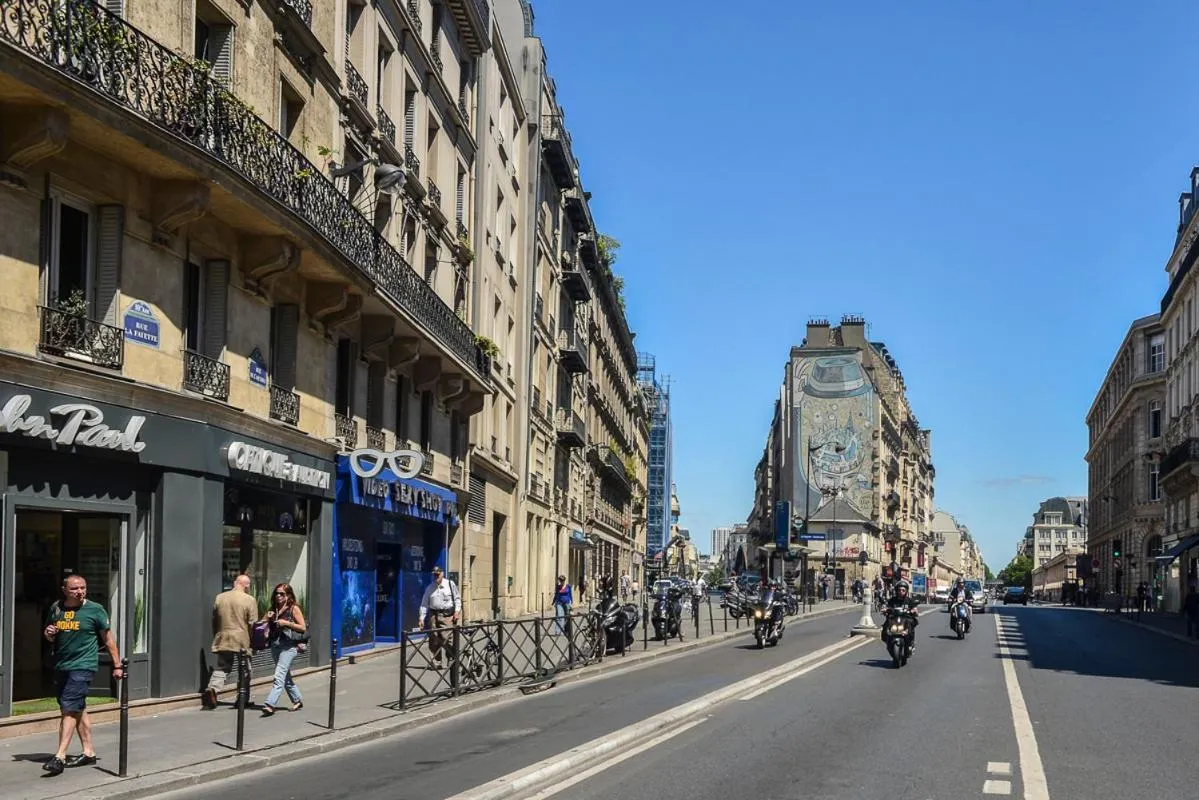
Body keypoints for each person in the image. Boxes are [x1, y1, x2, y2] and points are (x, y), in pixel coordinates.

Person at [40, 574, 124, 776]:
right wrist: (49, 634)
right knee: (77, 707)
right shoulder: (56, 608)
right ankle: (89, 752)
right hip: (62, 664)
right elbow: (50, 634)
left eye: (83, 588)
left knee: (69, 708)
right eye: (75, 589)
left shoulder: (95, 610)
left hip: (83, 665)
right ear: (64, 590)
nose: (80, 592)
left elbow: (108, 639)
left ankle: (59, 756)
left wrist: (117, 664)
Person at [203, 574, 258, 710]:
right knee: (245, 669)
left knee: (223, 666)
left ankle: (213, 689)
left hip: (224, 637)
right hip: (242, 639)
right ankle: (242, 699)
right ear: (246, 585)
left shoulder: (220, 598)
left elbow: (214, 620)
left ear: (234, 583)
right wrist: (253, 641)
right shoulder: (249, 600)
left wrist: (217, 633)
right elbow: (252, 624)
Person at [260, 583, 307, 716]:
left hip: (289, 646)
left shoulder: (294, 608)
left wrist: (286, 623)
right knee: (285, 675)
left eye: (282, 594)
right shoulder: (273, 608)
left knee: (279, 675)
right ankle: (297, 699)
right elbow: (262, 624)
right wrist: (267, 619)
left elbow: (303, 627)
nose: (278, 596)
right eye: (276, 593)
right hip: (275, 645)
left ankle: (270, 704)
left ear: (289, 595)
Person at [419, 566, 461, 666]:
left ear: (442, 573)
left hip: (447, 615)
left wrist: (457, 612)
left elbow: (457, 599)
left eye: (438, 574)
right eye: (435, 574)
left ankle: (451, 660)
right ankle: (436, 662)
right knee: (434, 639)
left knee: (448, 639)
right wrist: (421, 618)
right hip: (433, 615)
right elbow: (424, 603)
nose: (436, 576)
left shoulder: (450, 584)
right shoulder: (430, 587)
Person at [882, 579, 920, 652]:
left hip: (906, 619)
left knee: (910, 625)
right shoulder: (892, 600)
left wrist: (914, 611)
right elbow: (886, 606)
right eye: (899, 590)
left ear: (906, 591)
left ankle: (910, 643)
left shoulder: (909, 600)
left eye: (903, 590)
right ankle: (888, 642)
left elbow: (915, 610)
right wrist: (885, 610)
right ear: (896, 591)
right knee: (885, 627)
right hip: (894, 619)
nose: (901, 592)